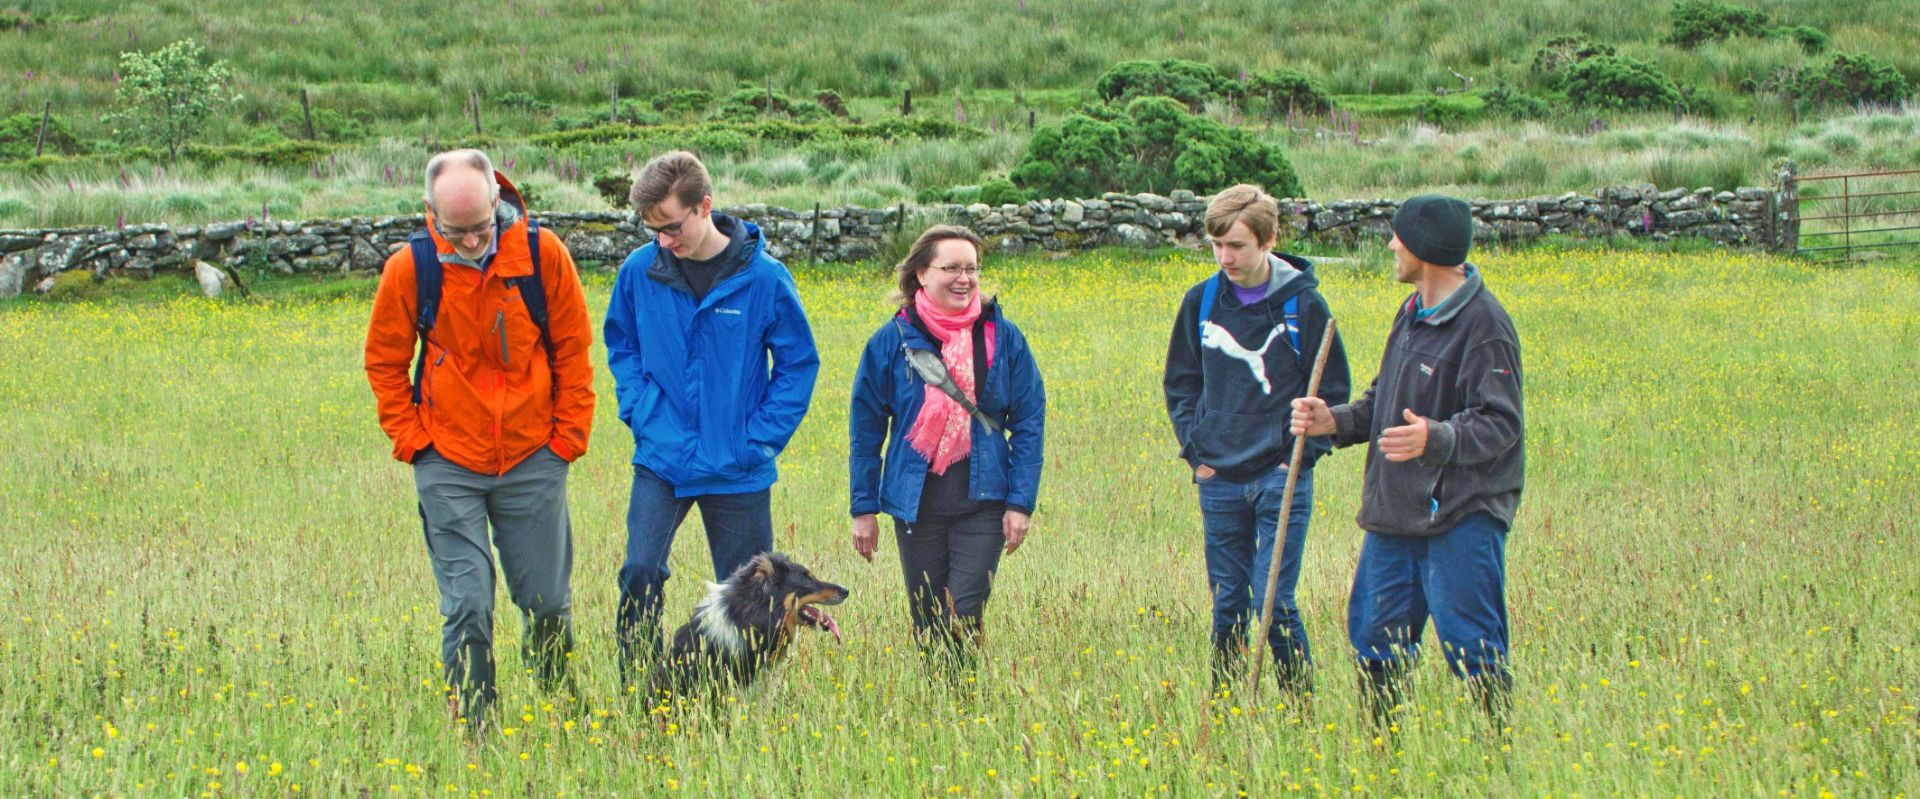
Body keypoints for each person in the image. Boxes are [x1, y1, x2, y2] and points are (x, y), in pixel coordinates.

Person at [364, 149, 596, 729]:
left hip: (533, 458)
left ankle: (559, 709)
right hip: (448, 462)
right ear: (430, 213)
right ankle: (476, 726)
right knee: (467, 604)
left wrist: (566, 439)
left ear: (499, 199)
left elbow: (573, 351)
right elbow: (384, 363)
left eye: (481, 228)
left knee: (546, 603)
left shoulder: (544, 257)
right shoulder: (409, 269)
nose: (470, 243)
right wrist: (414, 442)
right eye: (455, 231)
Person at [1290, 194, 1524, 731]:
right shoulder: (1412, 310)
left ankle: (1497, 755)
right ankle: (1385, 755)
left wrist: (1435, 438)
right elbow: (1384, 399)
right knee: (1374, 638)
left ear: (1425, 247)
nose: (1392, 245)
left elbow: (1502, 422)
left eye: (1400, 237)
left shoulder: (1486, 326)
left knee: (1472, 645)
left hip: (1461, 513)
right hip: (1396, 510)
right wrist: (1338, 421)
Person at [603, 151, 820, 687]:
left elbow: (797, 365)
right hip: (662, 457)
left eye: (672, 227)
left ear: (705, 206)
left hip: (738, 465)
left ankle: (748, 692)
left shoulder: (765, 278)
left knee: (752, 593)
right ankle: (639, 688)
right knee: (639, 572)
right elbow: (621, 345)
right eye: (651, 229)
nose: (663, 241)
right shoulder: (638, 271)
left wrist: (758, 440)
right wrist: (640, 411)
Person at [1163, 184, 1350, 695]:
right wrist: (1196, 452)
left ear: (1268, 241)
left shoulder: (1303, 306)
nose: (1225, 257)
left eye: (1237, 246)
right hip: (1218, 476)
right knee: (1227, 603)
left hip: (1280, 475)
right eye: (1217, 244)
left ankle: (1297, 713)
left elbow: (1333, 392)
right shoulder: (1200, 301)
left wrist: (1300, 457)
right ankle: (1223, 708)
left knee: (1276, 600)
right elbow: (1181, 382)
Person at [848, 225, 1045, 665]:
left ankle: (965, 702)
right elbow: (866, 430)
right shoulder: (891, 342)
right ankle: (944, 711)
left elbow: (1029, 420)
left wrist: (1020, 503)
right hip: (915, 505)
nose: (965, 278)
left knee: (964, 613)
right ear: (921, 273)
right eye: (951, 267)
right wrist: (863, 509)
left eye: (972, 268)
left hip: (984, 500)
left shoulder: (1003, 338)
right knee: (927, 621)